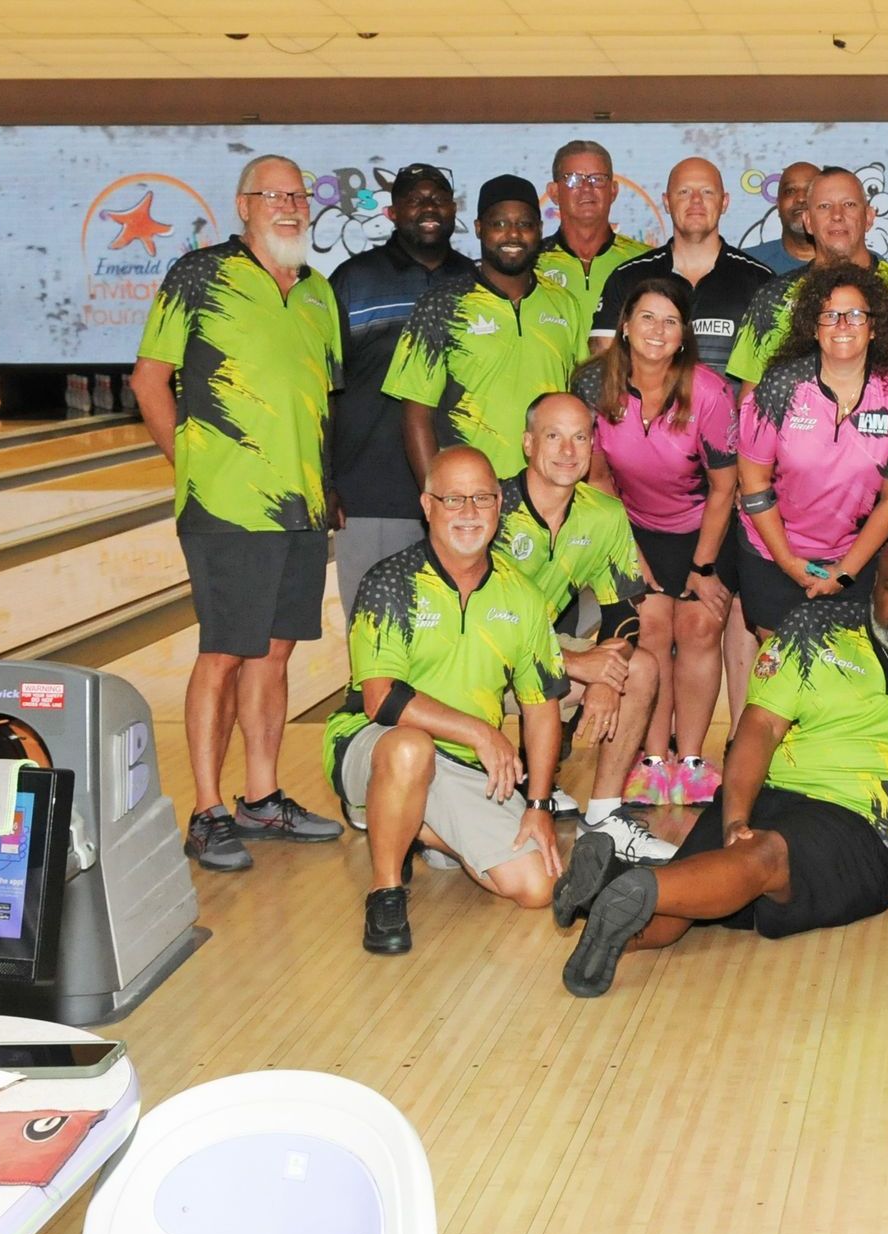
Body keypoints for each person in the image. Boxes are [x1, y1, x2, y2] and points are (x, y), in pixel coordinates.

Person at [553, 535, 888, 998]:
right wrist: (736, 816)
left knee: (754, 862)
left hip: (864, 825)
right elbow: (760, 730)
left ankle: (610, 890)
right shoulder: (816, 631)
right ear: (874, 586)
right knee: (688, 908)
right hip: (768, 792)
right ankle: (618, 911)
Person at [128, 153, 346, 873]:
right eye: (273, 195)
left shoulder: (317, 292)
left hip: (301, 508)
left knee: (276, 653)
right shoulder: (199, 275)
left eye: (298, 196)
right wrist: (191, 465)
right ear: (244, 204)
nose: (289, 206)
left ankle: (261, 796)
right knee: (223, 654)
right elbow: (150, 379)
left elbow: (321, 400)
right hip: (228, 508)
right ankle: (206, 809)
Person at [327, 446, 569, 954]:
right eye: (453, 498)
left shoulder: (522, 597)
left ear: (499, 505)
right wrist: (480, 731)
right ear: (427, 505)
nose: (468, 512)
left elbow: (541, 705)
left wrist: (541, 804)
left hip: (460, 765)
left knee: (536, 886)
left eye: (481, 498)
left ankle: (411, 825)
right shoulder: (390, 583)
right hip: (372, 746)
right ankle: (386, 888)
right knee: (411, 748)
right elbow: (381, 701)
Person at [576, 277, 741, 810]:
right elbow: (599, 481)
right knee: (650, 630)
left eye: (670, 321)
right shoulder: (595, 385)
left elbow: (724, 487)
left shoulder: (709, 392)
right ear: (624, 326)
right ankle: (651, 760)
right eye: (647, 317)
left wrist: (704, 567)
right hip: (633, 527)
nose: (657, 330)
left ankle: (690, 761)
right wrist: (633, 558)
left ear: (683, 335)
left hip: (706, 529)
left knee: (696, 627)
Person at [493, 393, 665, 864]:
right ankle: (506, 786)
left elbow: (624, 611)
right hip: (477, 666)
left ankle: (606, 817)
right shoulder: (491, 509)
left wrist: (608, 676)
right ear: (528, 443)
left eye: (580, 438)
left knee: (642, 669)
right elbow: (482, 627)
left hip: (536, 664)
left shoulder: (604, 514)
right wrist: (578, 663)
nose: (568, 451)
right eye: (554, 436)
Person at [735, 263, 888, 635]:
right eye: (830, 315)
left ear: (873, 328)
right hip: (772, 552)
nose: (842, 325)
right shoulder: (779, 388)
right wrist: (788, 562)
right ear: (813, 327)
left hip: (856, 556)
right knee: (781, 670)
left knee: (844, 674)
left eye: (855, 315)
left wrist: (847, 572)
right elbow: (753, 484)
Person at [328, 163, 476, 616]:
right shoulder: (354, 279)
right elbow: (325, 389)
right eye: (415, 199)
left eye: (438, 199)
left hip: (464, 495)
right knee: (374, 633)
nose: (428, 208)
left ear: (453, 210)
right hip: (373, 492)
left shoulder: (475, 281)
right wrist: (327, 480)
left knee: (455, 644)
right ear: (393, 213)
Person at [383, 174, 589, 479]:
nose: (513, 235)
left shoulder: (565, 304)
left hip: (550, 491)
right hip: (471, 494)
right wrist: (438, 496)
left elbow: (581, 401)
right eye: (499, 224)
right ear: (479, 229)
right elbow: (416, 413)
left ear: (540, 230)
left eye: (525, 224)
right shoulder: (441, 305)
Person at [726, 166, 888, 394]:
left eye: (849, 205)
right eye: (824, 206)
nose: (837, 215)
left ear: (869, 217)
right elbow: (750, 405)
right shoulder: (773, 298)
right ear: (807, 221)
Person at [589, 157, 772, 382]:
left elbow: (774, 374)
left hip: (732, 417)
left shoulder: (761, 281)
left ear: (724, 202)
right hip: (645, 417)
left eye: (707, 192)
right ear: (666, 202)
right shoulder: (627, 277)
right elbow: (605, 367)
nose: (696, 201)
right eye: (684, 192)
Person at [535, 140, 650, 322]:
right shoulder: (531, 263)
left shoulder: (647, 263)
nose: (587, 188)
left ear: (613, 191)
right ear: (554, 192)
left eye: (597, 179)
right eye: (573, 179)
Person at [742, 160, 819, 275]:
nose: (801, 198)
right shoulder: (746, 264)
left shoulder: (850, 263)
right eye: (790, 191)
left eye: (810, 190)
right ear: (778, 205)